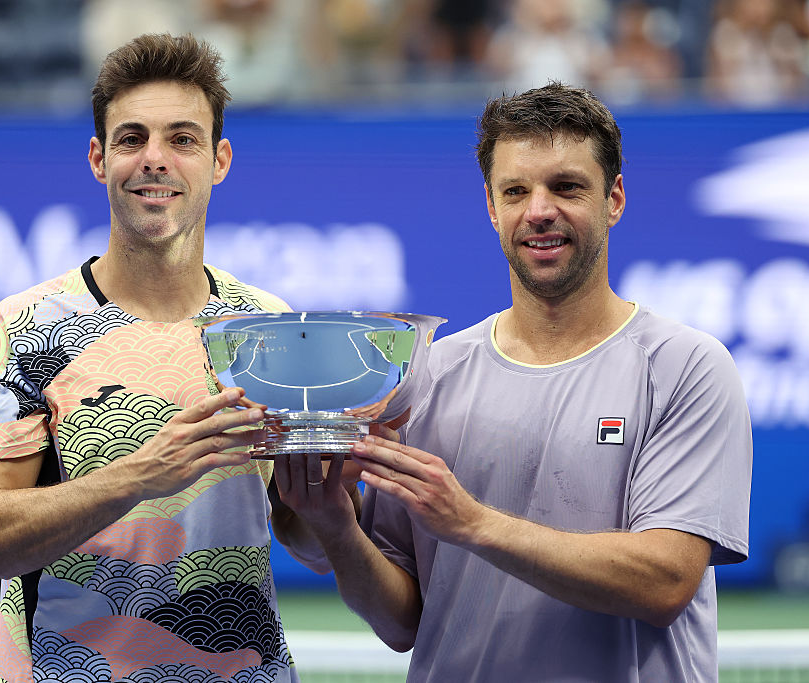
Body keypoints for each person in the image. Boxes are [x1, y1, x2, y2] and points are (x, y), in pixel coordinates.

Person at [276, 82, 753, 681]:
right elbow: (402, 623)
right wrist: (338, 527)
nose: (539, 211)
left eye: (567, 187)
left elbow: (665, 582)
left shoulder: (686, 366)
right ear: (491, 206)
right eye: (516, 191)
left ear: (614, 199)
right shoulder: (428, 375)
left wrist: (474, 524)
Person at [0, 33, 328, 683]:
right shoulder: (23, 329)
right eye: (131, 139)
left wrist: (328, 495)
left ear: (219, 160)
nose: (155, 159)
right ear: (99, 158)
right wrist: (140, 475)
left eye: (182, 139)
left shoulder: (269, 324)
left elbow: (312, 546)